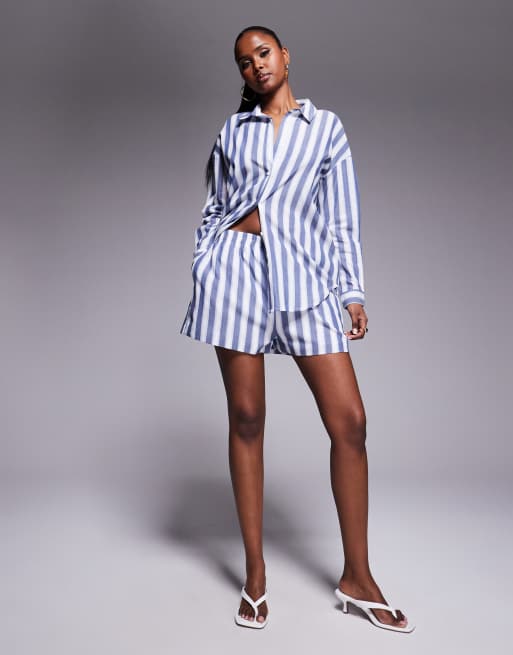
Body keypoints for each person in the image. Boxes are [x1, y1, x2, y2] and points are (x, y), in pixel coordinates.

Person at [179, 25, 414, 633]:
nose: (255, 66)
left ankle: (358, 576)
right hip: (236, 275)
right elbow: (214, 204)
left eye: (263, 53)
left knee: (350, 423)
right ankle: (255, 576)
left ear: (284, 56)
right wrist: (207, 257)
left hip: (306, 280)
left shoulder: (325, 128)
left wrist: (352, 291)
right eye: (244, 61)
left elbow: (341, 218)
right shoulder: (234, 131)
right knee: (247, 418)